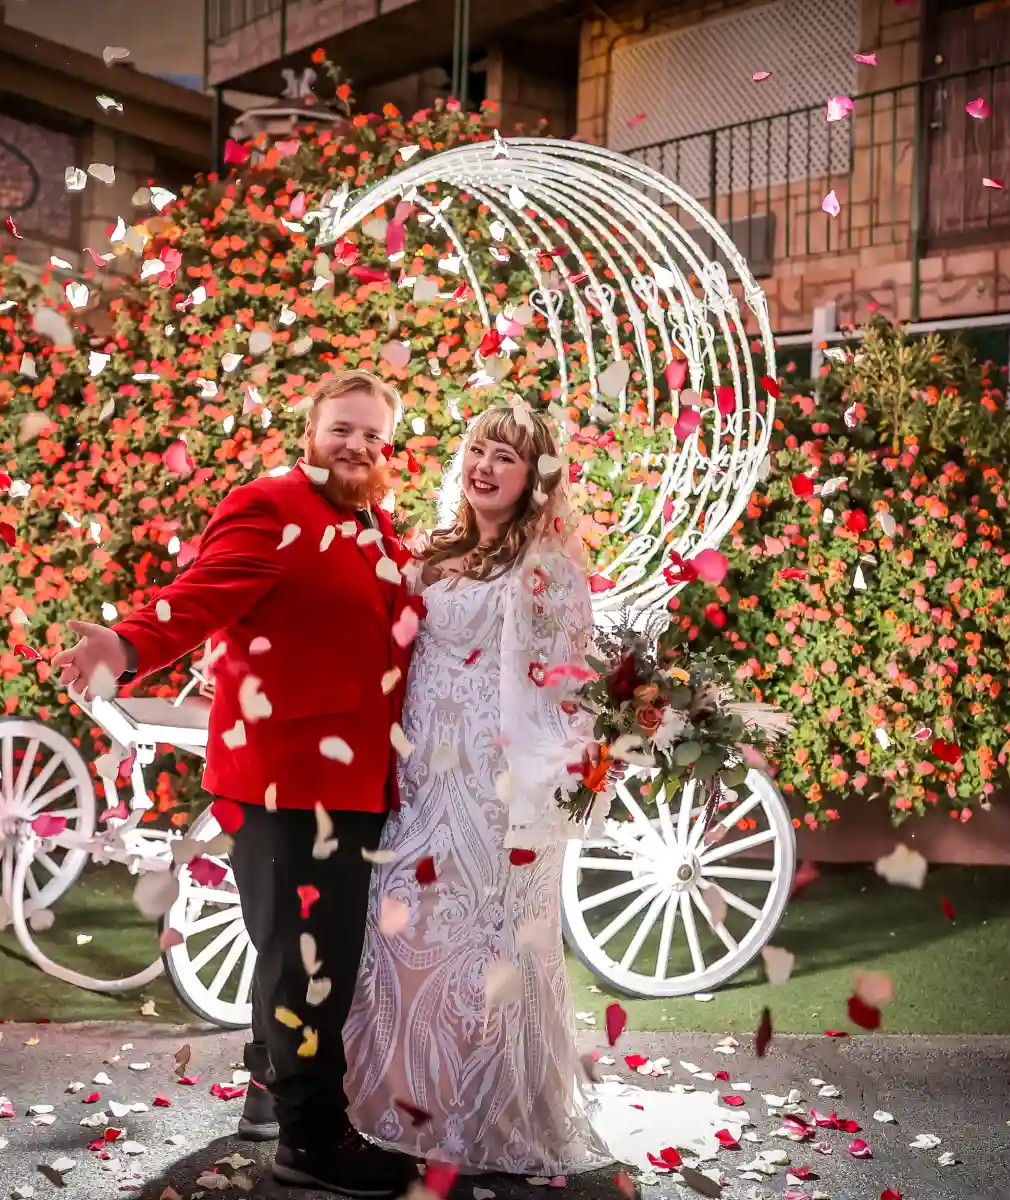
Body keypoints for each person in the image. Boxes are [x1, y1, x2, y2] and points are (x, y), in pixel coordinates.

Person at [50, 369, 423, 1199]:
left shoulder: (373, 520)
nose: (356, 445)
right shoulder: (272, 503)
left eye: (371, 434)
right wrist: (124, 644)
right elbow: (198, 598)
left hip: (353, 780)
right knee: (311, 962)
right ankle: (312, 1142)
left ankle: (268, 1091)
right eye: (341, 430)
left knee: (298, 953)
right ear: (310, 432)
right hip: (288, 779)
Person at [340, 402, 621, 1176]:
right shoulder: (427, 557)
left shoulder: (553, 573)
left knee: (487, 948)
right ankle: (401, 1110)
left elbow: (571, 687)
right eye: (477, 449)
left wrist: (590, 754)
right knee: (402, 930)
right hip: (419, 781)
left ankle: (488, 1119)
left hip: (499, 792)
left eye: (506, 455)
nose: (486, 465)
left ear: (534, 479)